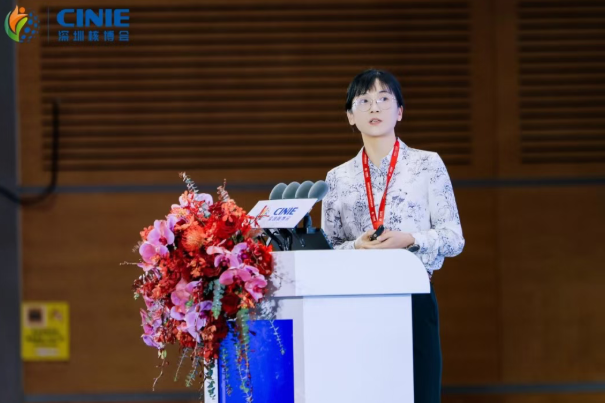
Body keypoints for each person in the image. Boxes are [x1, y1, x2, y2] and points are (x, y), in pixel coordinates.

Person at [321, 68, 465, 403]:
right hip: (355, 302)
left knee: (419, 392)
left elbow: (454, 238)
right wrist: (356, 246)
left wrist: (409, 239)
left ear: (399, 111)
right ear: (350, 116)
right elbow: (326, 251)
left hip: (413, 294)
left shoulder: (427, 165)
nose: (375, 107)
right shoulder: (336, 178)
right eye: (364, 100)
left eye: (384, 99)